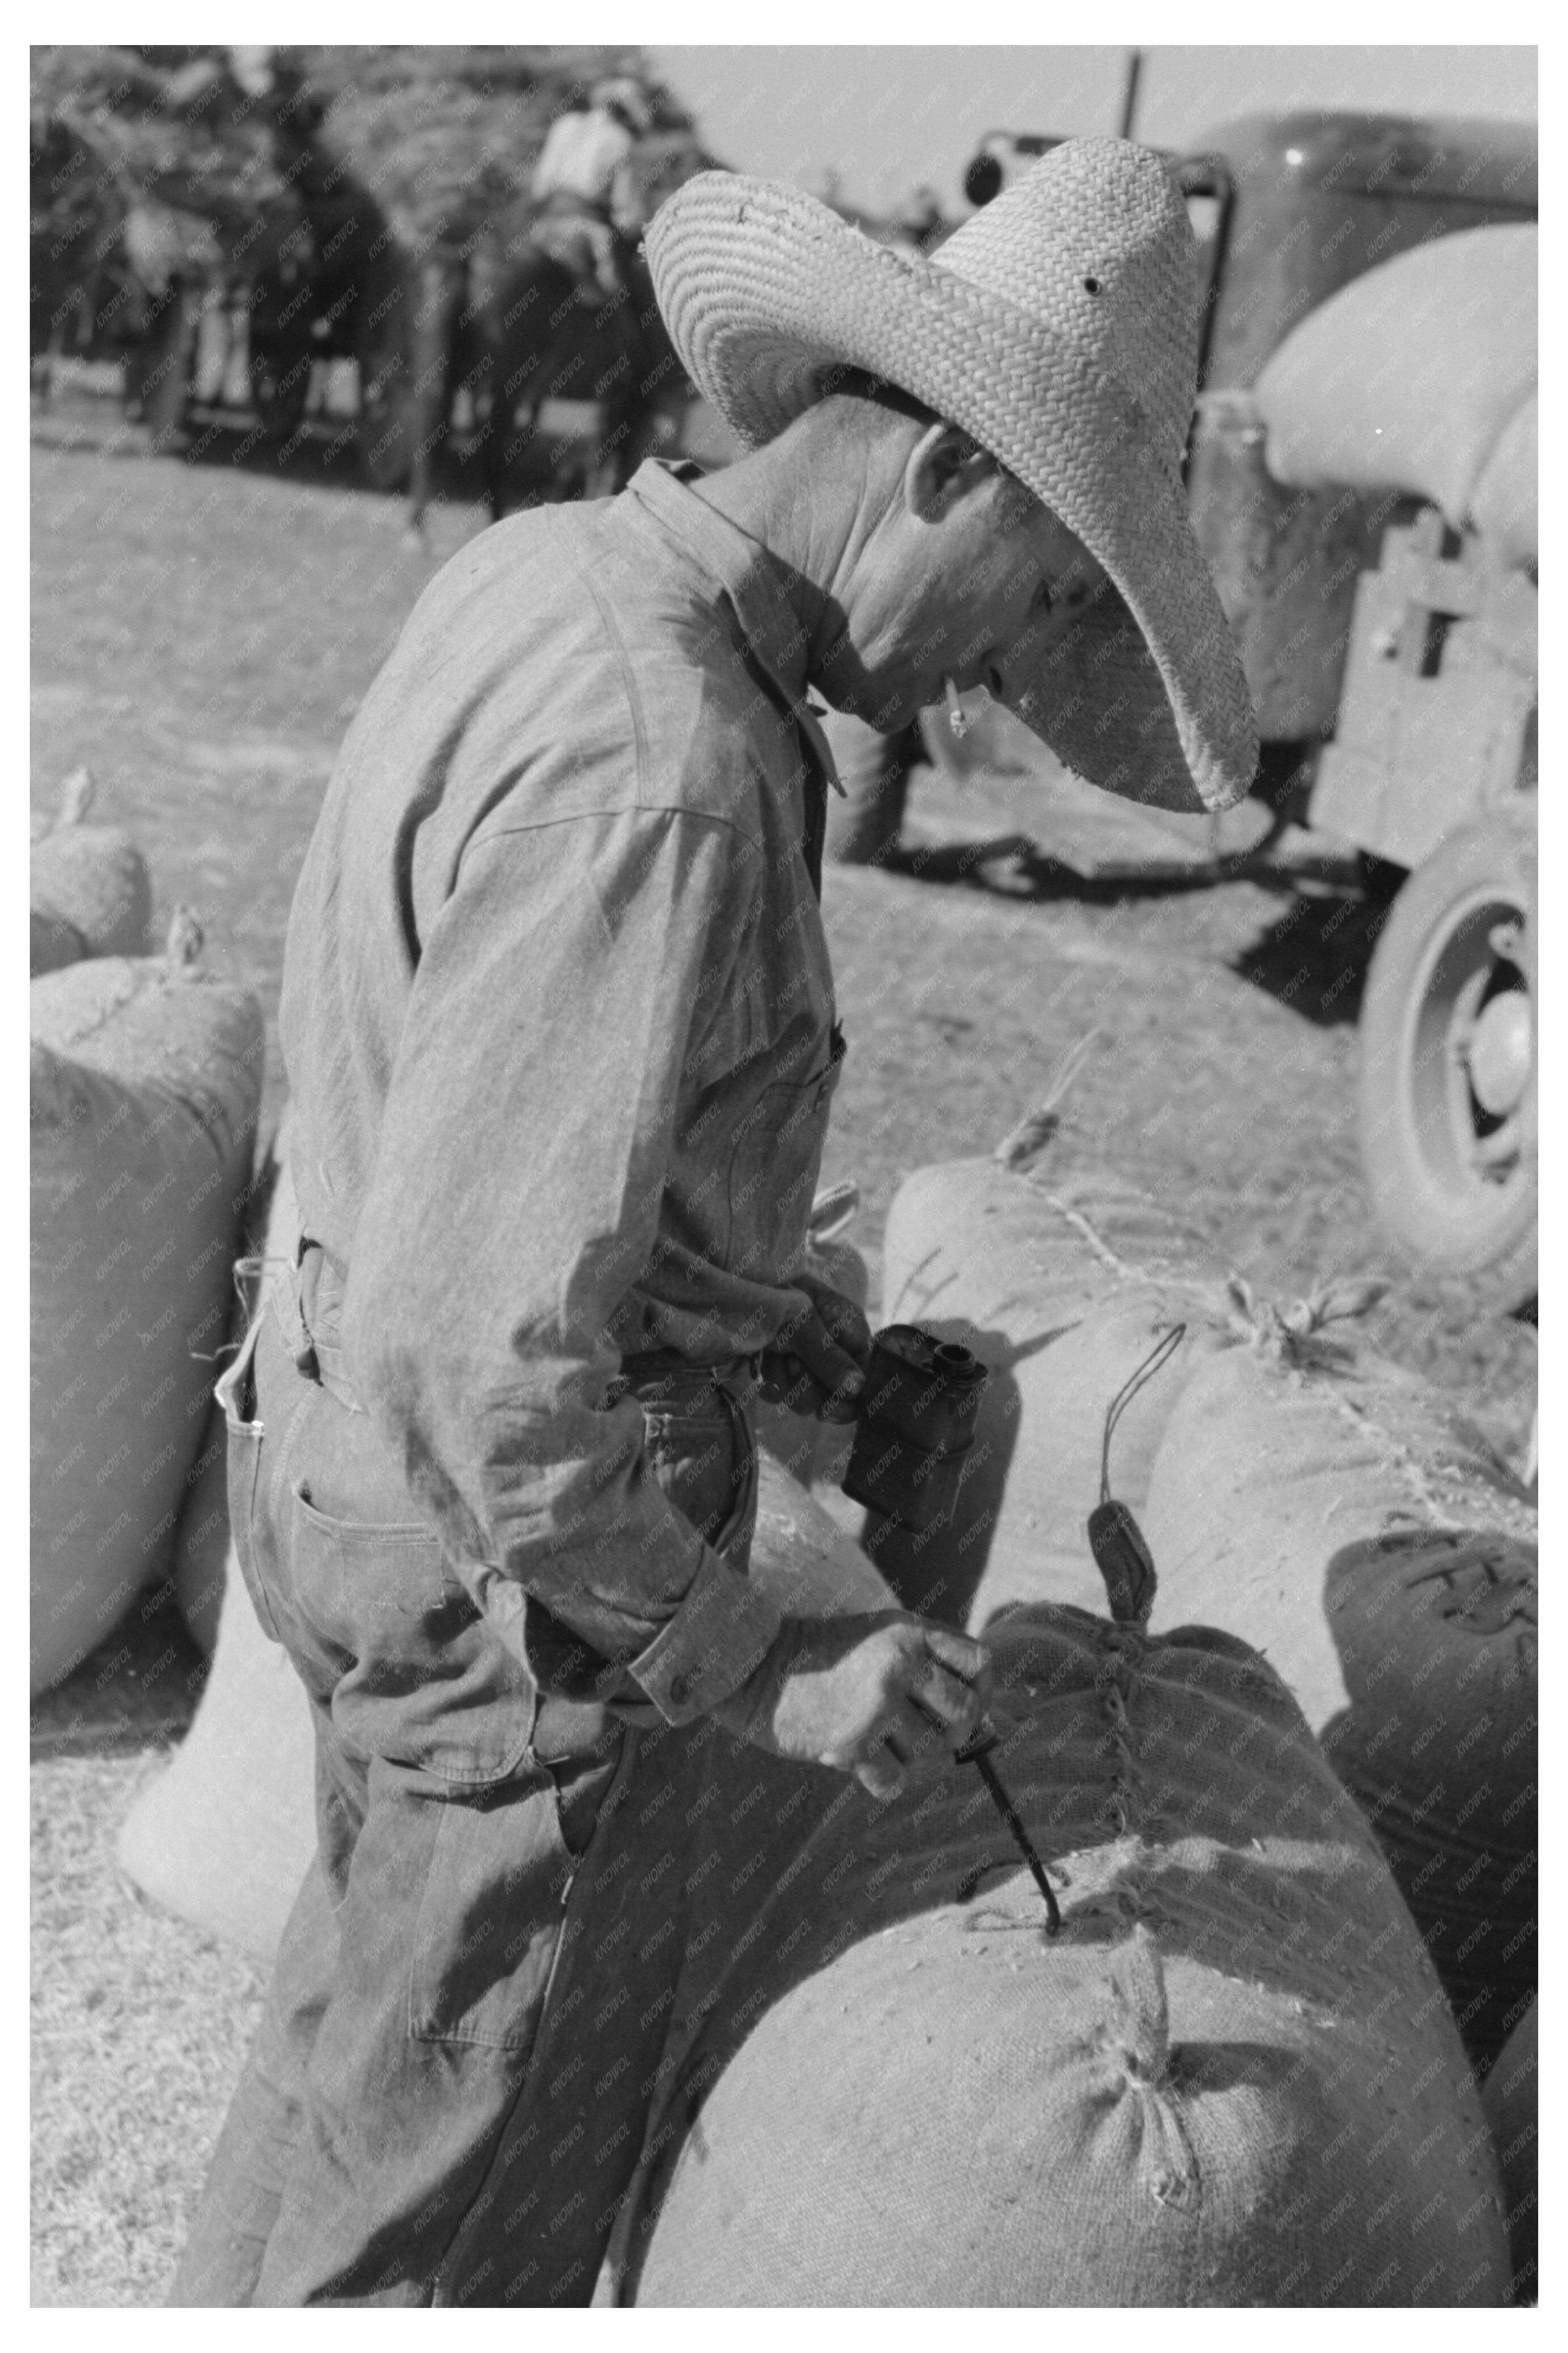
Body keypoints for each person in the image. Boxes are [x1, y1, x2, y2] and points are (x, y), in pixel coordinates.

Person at [170, 136, 1257, 2308]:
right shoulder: (668, 765)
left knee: (344, 2075)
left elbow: (497, 1126)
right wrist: (776, 1658)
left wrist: (790, 1342)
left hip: (342, 1493)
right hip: (496, 1601)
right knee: (441, 2218)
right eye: (1040, 602)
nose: (988, 683)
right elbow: (496, 1360)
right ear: (948, 473)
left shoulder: (558, 575)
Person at [528, 75, 651, 301]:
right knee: (614, 298)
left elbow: (539, 185)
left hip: (543, 222)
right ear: (626, 114)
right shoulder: (621, 140)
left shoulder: (565, 123)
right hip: (588, 228)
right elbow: (626, 213)